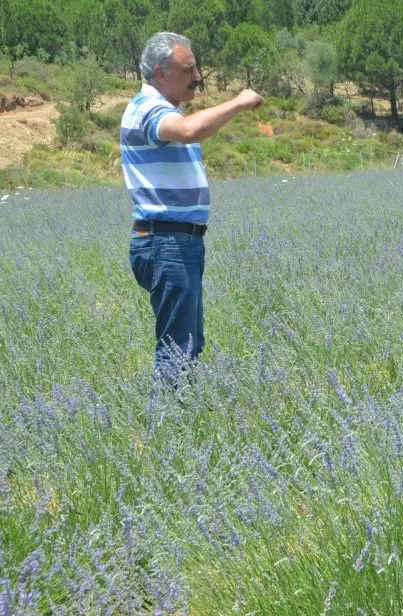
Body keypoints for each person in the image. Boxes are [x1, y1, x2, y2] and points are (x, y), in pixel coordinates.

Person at [122, 32, 263, 379]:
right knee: (176, 349)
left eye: (195, 68)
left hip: (178, 241)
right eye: (188, 70)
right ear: (160, 73)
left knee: (188, 345)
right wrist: (239, 102)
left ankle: (181, 421)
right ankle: (164, 427)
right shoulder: (149, 110)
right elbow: (187, 130)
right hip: (165, 241)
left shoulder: (166, 110)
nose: (197, 77)